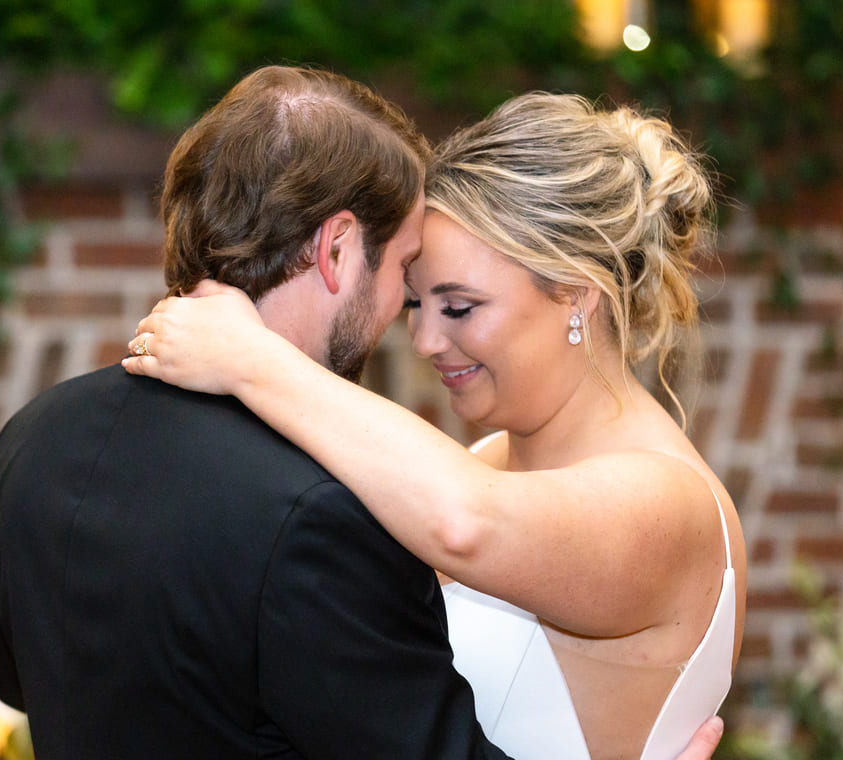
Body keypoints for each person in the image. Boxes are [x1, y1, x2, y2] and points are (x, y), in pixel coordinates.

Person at [123, 91, 747, 760]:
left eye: (459, 307)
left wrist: (250, 358)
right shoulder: (481, 463)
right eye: (416, 303)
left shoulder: (667, 504)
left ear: (575, 290)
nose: (422, 340)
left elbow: (467, 526)